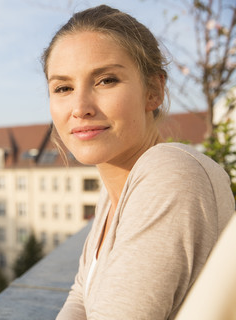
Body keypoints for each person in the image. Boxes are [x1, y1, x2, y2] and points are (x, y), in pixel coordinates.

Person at [41, 5, 235, 320]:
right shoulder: (116, 188)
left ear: (153, 91)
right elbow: (82, 294)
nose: (80, 107)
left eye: (105, 80)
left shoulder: (168, 173)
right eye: (63, 87)